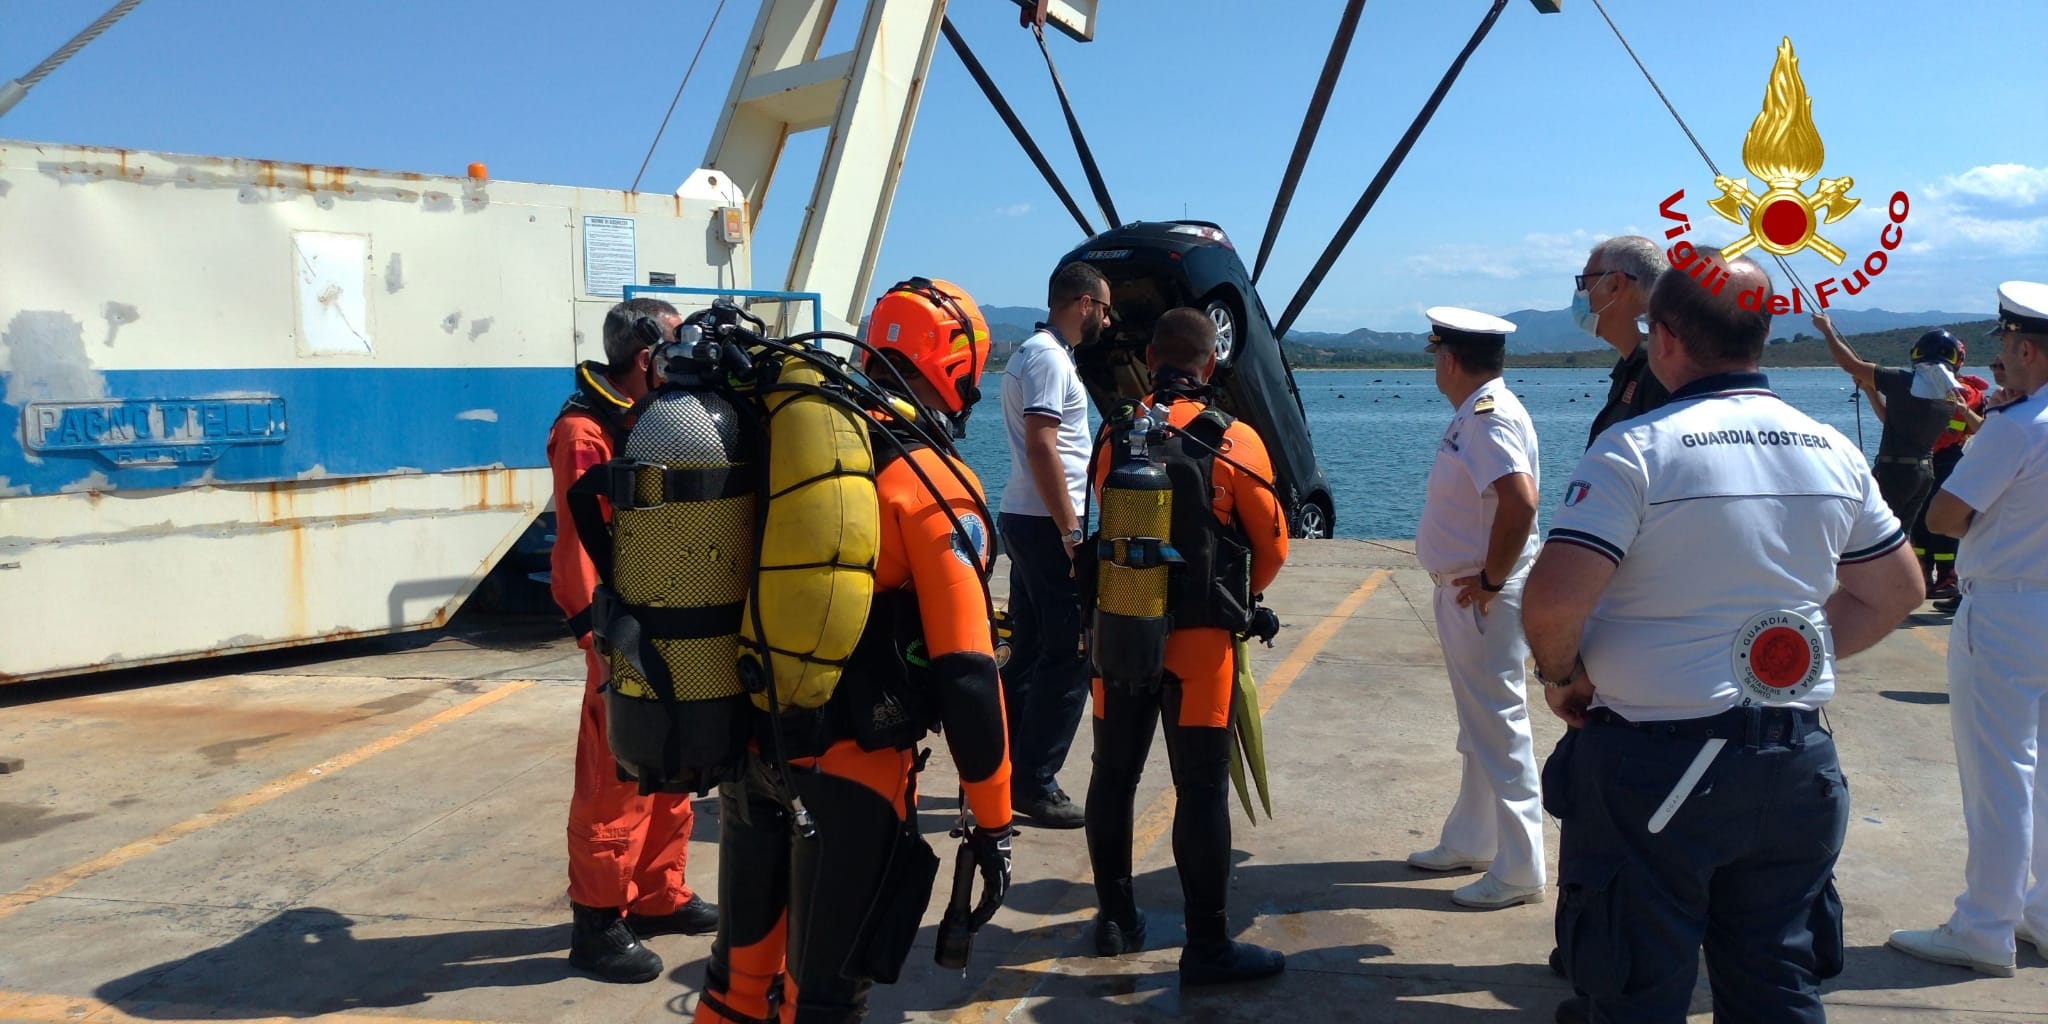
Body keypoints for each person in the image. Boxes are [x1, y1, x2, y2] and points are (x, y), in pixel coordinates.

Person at [1525, 255, 1924, 1023]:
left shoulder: (1637, 449)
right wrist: (1781, 661)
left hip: (1656, 765)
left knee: (1634, 989)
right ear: (1760, 337)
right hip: (1795, 765)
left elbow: (1551, 603)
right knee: (1778, 984)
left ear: (1666, 339)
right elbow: (1897, 589)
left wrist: (1562, 675)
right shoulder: (1829, 449)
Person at [695, 279, 1014, 1024]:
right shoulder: (929, 478)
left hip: (752, 749)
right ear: (956, 369)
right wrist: (994, 817)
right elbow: (967, 670)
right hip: (851, 771)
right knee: (825, 1000)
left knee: (737, 985)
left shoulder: (777, 443)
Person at [1083, 308, 1291, 984]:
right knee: (1200, 790)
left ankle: (1115, 921)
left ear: (1149, 358)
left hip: (1121, 630)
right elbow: (1273, 547)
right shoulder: (1235, 439)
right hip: (1201, 647)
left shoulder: (1116, 432)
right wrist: (1234, 597)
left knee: (1113, 776)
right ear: (1212, 363)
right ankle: (1207, 947)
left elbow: (1105, 517)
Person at [548, 297, 719, 984]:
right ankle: (597, 922)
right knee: (616, 774)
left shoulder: (653, 420)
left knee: (670, 759)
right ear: (646, 357)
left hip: (667, 613)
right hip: (620, 624)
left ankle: (656, 892)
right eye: (674, 350)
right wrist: (596, 633)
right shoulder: (586, 432)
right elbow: (578, 540)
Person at [1887, 280, 2048, 978]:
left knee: (1999, 774)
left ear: (2028, 349)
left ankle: (1984, 926)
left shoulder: (2015, 427)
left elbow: (1943, 518)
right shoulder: (2015, 423)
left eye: (2007, 345)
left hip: (2008, 608)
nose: (1999, 359)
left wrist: (1991, 439)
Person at [1406, 306, 1546, 910]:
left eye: (1436, 354)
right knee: (1479, 726)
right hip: (1469, 593)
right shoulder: (1478, 412)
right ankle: (1474, 838)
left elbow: (1520, 502)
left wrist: (1491, 579)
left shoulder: (1488, 418)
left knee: (1500, 726)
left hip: (1481, 597)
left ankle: (1521, 868)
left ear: (1449, 359)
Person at [998, 260, 1112, 829]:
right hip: (1047, 524)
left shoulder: (1032, 352)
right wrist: (1072, 532)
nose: (1107, 322)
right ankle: (1035, 781)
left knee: (1029, 647)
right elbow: (1043, 445)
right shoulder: (1048, 358)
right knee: (1071, 652)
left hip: (1026, 516)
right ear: (1084, 303)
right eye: (1105, 309)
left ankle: (1002, 768)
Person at [1819, 317, 1967, 587]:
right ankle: (1896, 586)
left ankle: (1867, 587)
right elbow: (1891, 420)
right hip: (1923, 472)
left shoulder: (1901, 381)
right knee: (1899, 535)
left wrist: (1827, 330)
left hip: (1895, 470)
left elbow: (1849, 364)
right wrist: (1870, 391)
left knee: (1871, 532)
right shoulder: (1948, 397)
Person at [1577, 236, 1671, 446]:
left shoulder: (1662, 371)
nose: (1580, 293)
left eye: (1584, 283)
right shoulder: (1632, 368)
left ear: (1615, 285)